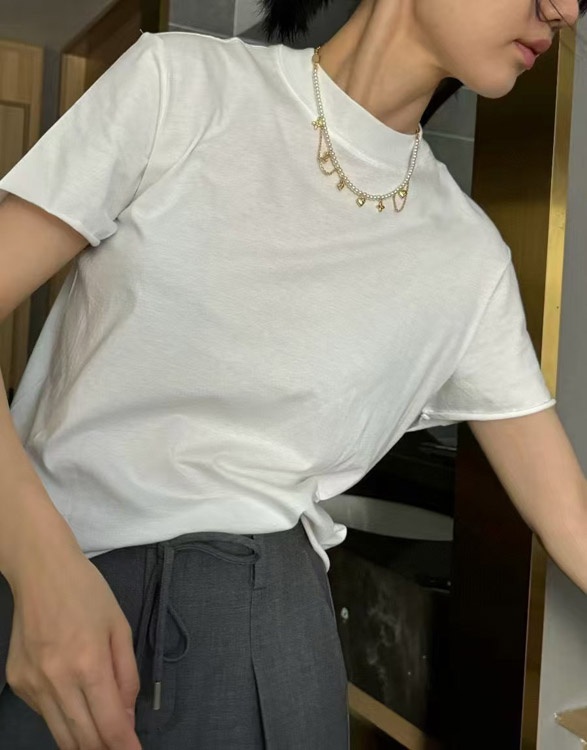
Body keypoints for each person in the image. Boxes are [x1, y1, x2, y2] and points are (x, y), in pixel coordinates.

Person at [0, 0, 585, 747]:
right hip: (49, 599)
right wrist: (39, 564)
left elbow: (569, 514)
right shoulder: (182, 85)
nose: (563, 10)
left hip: (266, 640)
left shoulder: (469, 258)